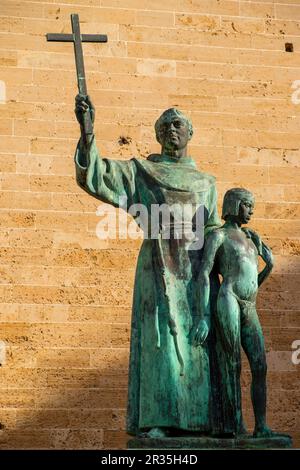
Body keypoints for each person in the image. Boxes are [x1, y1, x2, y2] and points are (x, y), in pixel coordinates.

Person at [74, 95, 221, 437]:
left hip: (196, 270)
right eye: (165, 126)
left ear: (190, 133)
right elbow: (96, 176)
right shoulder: (142, 171)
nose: (172, 129)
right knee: (160, 342)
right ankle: (159, 420)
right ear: (157, 135)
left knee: (197, 344)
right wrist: (88, 133)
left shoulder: (207, 183)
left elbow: (214, 231)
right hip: (156, 264)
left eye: (178, 124)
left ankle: (198, 422)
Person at [192, 187, 277, 437]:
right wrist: (203, 317)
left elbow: (252, 282)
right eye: (247, 205)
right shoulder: (218, 236)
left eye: (251, 206)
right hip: (228, 298)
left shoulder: (252, 239)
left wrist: (269, 266)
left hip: (249, 304)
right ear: (234, 204)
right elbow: (204, 274)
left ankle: (261, 426)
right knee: (232, 362)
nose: (251, 210)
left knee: (260, 365)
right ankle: (234, 424)